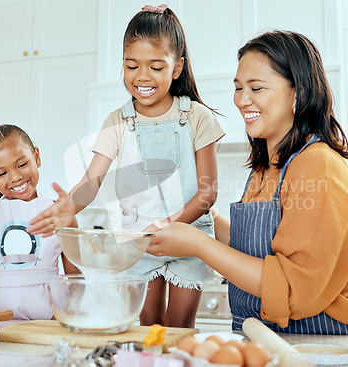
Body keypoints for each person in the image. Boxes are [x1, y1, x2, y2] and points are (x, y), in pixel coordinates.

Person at [147, 30, 348, 336]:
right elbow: (255, 250)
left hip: (324, 345)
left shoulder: (318, 166)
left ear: (298, 92)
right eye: (238, 88)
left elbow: (293, 288)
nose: (242, 100)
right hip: (268, 340)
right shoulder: (265, 167)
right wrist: (202, 216)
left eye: (256, 88)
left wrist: (197, 243)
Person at [28, 4, 225, 328]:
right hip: (139, 243)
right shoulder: (118, 121)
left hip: (190, 239)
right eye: (132, 65)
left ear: (177, 68)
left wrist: (170, 225)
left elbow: (208, 192)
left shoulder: (197, 117)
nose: (142, 77)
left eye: (156, 67)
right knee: (147, 330)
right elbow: (92, 180)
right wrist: (70, 206)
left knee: (178, 330)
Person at [0, 124, 79, 320]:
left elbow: (75, 274)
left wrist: (61, 316)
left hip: (44, 325)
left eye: (22, 164)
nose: (15, 177)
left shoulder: (59, 214)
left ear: (36, 156)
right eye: (1, 173)